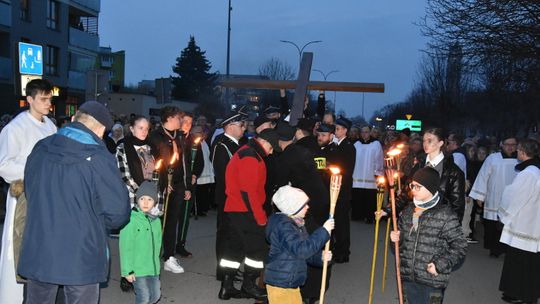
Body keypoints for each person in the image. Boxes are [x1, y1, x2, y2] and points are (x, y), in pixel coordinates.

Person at [18, 101, 131, 304]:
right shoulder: (98, 157)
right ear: (101, 130)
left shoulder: (41, 147)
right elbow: (118, 212)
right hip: (81, 254)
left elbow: (30, 190)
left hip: (40, 248)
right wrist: (93, 221)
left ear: (73, 119)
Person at [0, 79, 57, 303]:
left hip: (48, 196)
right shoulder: (15, 128)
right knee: (18, 249)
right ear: (30, 99)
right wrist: (34, 168)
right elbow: (3, 165)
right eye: (43, 99)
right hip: (24, 196)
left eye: (49, 99)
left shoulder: (51, 126)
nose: (48, 103)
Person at [217, 129, 281, 301]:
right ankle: (249, 285)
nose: (272, 151)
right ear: (265, 143)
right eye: (272, 147)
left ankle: (227, 287)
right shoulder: (251, 156)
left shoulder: (248, 152)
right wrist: (260, 217)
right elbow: (249, 192)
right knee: (257, 249)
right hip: (245, 211)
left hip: (236, 209)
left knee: (234, 249)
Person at [390, 167, 467, 304]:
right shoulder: (408, 212)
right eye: (412, 185)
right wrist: (396, 240)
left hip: (433, 282)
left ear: (431, 188)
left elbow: (460, 247)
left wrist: (439, 265)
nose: (413, 189)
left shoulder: (445, 215)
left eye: (418, 186)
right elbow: (401, 247)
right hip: (408, 277)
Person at [265, 185, 335, 304]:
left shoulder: (297, 224)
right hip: (281, 285)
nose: (308, 207)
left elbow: (304, 252)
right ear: (293, 208)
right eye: (304, 205)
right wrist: (323, 232)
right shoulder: (284, 227)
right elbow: (301, 250)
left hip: (291, 282)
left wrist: (320, 258)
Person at [148, 106, 191, 272]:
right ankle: (151, 254)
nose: (181, 121)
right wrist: (163, 183)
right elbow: (154, 163)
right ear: (171, 118)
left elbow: (185, 163)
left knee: (172, 221)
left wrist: (187, 186)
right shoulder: (155, 137)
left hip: (178, 185)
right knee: (157, 221)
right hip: (162, 186)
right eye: (179, 118)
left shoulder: (180, 137)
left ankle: (169, 256)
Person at [498, 138, 540, 304]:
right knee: (523, 261)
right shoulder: (534, 170)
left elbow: (515, 197)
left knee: (521, 262)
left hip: (524, 224)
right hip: (530, 222)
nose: (516, 152)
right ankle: (515, 292)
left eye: (518, 149)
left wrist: (504, 215)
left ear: (523, 152)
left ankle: (524, 294)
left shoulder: (529, 173)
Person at [469, 136, 518, 257]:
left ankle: (506, 248)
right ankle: (494, 249)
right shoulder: (493, 158)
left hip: (513, 199)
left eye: (513, 144)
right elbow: (483, 176)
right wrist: (480, 196)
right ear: (502, 144)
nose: (510, 147)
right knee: (493, 225)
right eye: (508, 144)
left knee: (509, 225)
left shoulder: (520, 159)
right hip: (494, 197)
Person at [120, 181, 162, 304]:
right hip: (137, 269)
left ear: (154, 202)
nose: (145, 202)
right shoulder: (131, 221)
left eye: (149, 199)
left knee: (155, 295)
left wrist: (156, 262)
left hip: (153, 267)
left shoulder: (156, 221)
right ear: (137, 199)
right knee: (143, 297)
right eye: (142, 198)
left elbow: (158, 243)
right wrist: (127, 270)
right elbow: (125, 247)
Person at [116, 115, 156, 208]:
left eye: (147, 128)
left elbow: (156, 171)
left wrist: (155, 190)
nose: (144, 131)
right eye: (140, 128)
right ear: (132, 129)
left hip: (152, 196)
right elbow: (124, 176)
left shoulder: (150, 147)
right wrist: (142, 193)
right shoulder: (123, 147)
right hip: (133, 196)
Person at [331, 117, 356, 263]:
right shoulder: (336, 145)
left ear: (345, 130)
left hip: (342, 189)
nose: (336, 131)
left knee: (341, 222)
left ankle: (343, 251)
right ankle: (336, 248)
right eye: (335, 128)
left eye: (338, 129)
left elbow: (346, 169)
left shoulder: (348, 147)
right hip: (335, 187)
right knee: (335, 220)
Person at [351, 125, 384, 222]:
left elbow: (379, 159)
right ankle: (357, 216)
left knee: (370, 198)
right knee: (358, 197)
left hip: (371, 176)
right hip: (357, 175)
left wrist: (378, 172)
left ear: (370, 133)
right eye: (362, 132)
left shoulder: (376, 144)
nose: (364, 134)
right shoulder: (356, 144)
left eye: (366, 132)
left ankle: (369, 217)